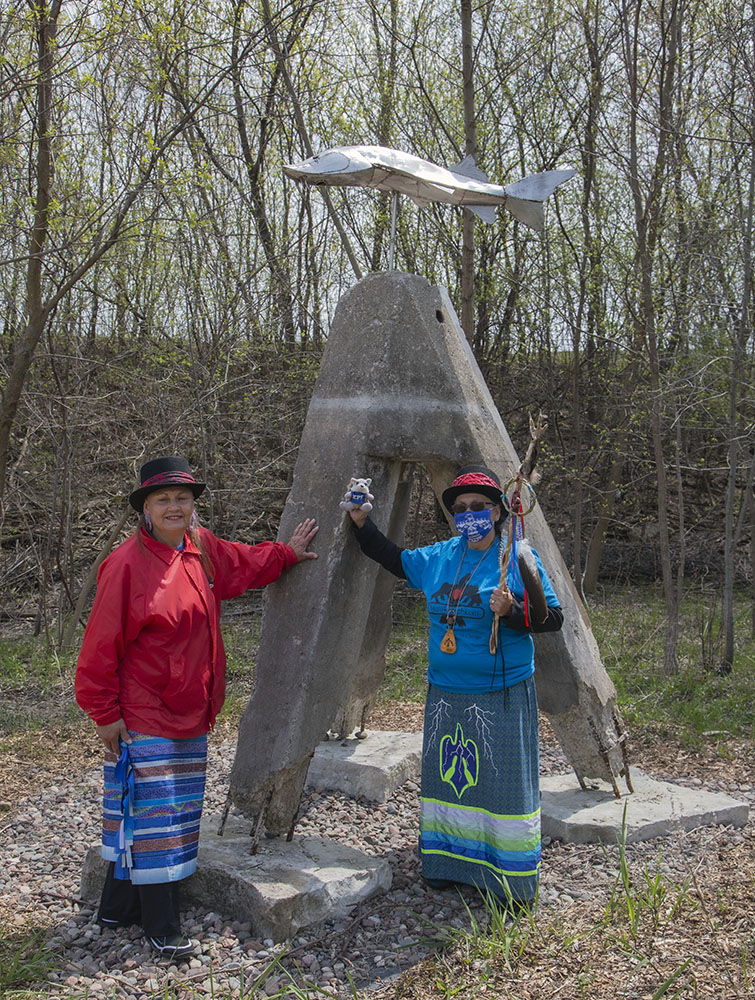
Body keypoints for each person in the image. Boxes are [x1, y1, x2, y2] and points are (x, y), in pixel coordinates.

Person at [75, 456, 318, 958]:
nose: (174, 506)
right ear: (144, 506)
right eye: (162, 498)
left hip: (192, 709)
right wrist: (105, 714)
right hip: (145, 712)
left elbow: (244, 564)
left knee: (161, 813)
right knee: (159, 817)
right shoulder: (125, 566)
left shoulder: (200, 548)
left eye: (182, 498)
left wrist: (287, 554)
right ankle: (161, 928)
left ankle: (116, 908)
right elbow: (99, 648)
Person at [347, 465, 562, 911]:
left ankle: (507, 875)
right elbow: (392, 557)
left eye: (478, 507)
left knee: (500, 785)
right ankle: (449, 866)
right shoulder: (441, 556)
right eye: (460, 509)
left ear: (499, 511)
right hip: (446, 692)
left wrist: (514, 607)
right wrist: (362, 524)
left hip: (500, 691)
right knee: (452, 781)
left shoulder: (516, 556)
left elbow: (551, 620)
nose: (469, 515)